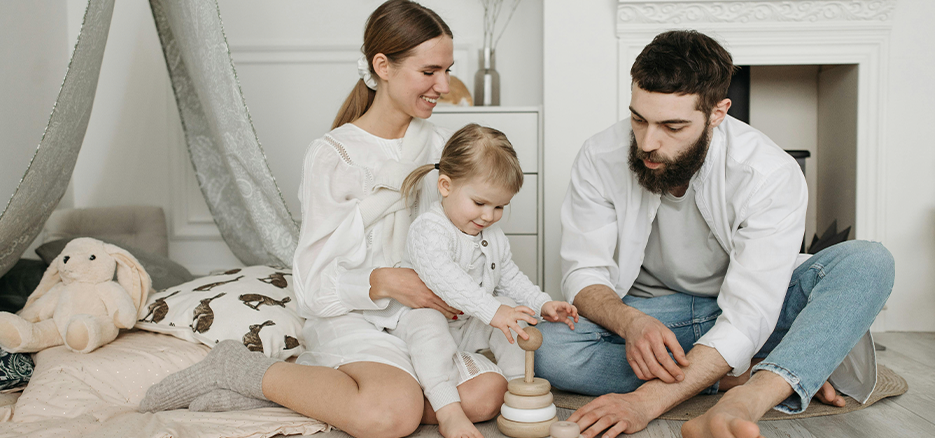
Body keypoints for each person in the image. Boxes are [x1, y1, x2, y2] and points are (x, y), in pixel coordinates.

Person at [138, 2, 510, 437]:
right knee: (391, 415)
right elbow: (312, 287)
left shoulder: (443, 147)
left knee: (487, 393)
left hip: (422, 320)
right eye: (430, 71)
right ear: (383, 66)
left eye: (447, 70)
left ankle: (304, 395)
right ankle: (239, 368)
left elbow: (474, 241)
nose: (443, 86)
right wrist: (385, 282)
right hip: (355, 316)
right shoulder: (334, 155)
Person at [534, 30, 895, 438]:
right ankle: (757, 370)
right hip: (656, 313)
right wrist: (630, 322)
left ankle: (750, 397)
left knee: (869, 262)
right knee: (548, 347)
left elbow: (749, 313)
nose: (648, 142)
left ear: (718, 112)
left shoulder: (768, 172)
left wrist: (644, 402)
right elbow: (585, 272)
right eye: (638, 119)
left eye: (672, 126)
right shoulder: (599, 155)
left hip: (756, 310)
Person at [388, 123, 578, 438]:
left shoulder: (492, 235)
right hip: (424, 323)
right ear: (445, 186)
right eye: (479, 203)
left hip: (466, 324)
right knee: (427, 324)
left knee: (512, 312)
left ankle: (520, 388)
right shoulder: (429, 229)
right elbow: (446, 279)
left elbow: (509, 277)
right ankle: (447, 409)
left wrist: (542, 303)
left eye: (499, 206)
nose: (489, 216)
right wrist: (493, 311)